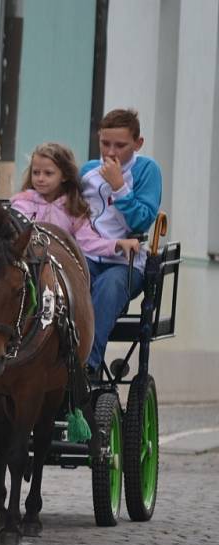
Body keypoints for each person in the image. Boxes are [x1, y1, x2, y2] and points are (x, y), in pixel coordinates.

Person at [80, 108, 162, 374]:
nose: (111, 152)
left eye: (120, 145)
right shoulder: (88, 171)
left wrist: (119, 186)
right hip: (88, 256)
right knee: (63, 281)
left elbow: (141, 221)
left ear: (137, 144)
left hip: (126, 265)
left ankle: (87, 366)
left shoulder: (147, 170)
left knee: (108, 286)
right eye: (105, 144)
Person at [10, 142, 140, 259]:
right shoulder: (21, 203)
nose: (40, 178)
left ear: (65, 175)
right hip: (25, 264)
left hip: (58, 269)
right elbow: (10, 236)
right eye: (36, 172)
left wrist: (117, 244)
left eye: (48, 173)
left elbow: (88, 242)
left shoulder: (72, 209)